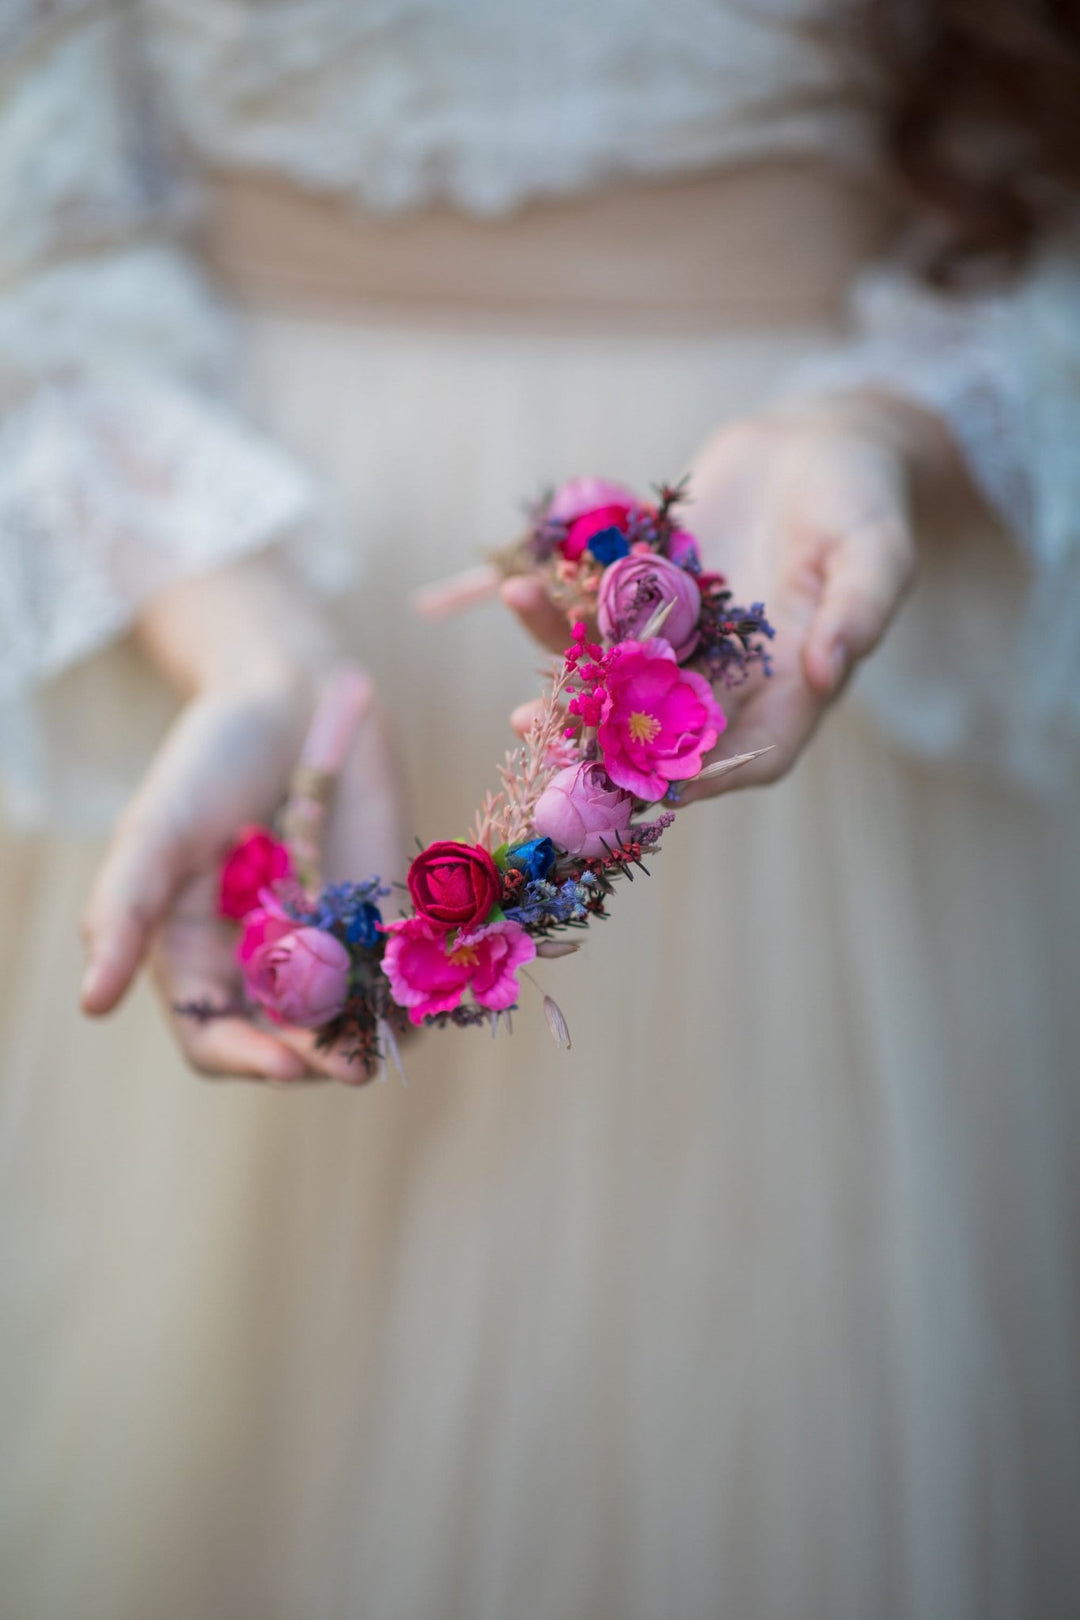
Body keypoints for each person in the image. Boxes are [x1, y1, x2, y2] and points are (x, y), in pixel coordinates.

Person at [2, 3, 1079, 1617]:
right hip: (231, 544)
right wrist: (238, 642)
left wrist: (873, 429)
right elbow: (38, 241)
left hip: (796, 591)